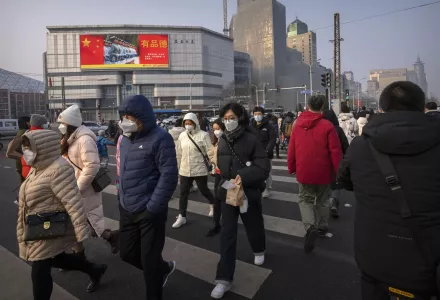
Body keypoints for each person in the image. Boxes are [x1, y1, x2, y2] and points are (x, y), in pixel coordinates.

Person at [337, 81, 440, 300]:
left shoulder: (360, 146)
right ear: (422, 109)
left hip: (374, 255)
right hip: (428, 259)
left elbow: (344, 181)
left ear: (382, 109)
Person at [17, 130, 107, 299]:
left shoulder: (59, 168)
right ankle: (94, 270)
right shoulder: (38, 167)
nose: (26, 152)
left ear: (43, 147)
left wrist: (81, 230)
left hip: (49, 225)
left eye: (30, 147)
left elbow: (72, 200)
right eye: (25, 148)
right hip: (39, 225)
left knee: (39, 269)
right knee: (56, 259)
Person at [118, 95, 178, 300]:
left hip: (149, 210)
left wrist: (153, 207)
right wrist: (121, 198)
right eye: (123, 116)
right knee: (125, 253)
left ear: (142, 118)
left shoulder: (161, 138)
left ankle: (156, 275)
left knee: (149, 261)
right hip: (127, 208)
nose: (125, 120)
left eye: (130, 117)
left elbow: (169, 174)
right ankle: (162, 269)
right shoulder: (124, 139)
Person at [211, 103, 270, 299]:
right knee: (227, 234)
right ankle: (223, 279)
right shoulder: (222, 141)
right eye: (225, 118)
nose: (228, 121)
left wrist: (243, 176)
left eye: (232, 117)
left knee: (253, 225)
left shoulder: (251, 139)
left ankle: (259, 249)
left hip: (248, 193)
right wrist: (219, 189)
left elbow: (263, 167)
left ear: (240, 118)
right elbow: (220, 168)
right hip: (228, 194)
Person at [57, 105, 119, 255]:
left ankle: (111, 238)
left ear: (70, 124)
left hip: (84, 189)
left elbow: (91, 166)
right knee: (76, 225)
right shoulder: (70, 138)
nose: (60, 127)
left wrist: (77, 188)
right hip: (72, 188)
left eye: (63, 123)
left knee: (89, 224)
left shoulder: (84, 140)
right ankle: (81, 258)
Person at [287, 95, 342, 253]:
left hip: (304, 170)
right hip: (324, 171)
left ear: (307, 106)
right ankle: (323, 226)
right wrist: (339, 171)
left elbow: (292, 149)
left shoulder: (298, 125)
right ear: (322, 107)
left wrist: (291, 167)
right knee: (324, 199)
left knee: (305, 199)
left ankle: (310, 226)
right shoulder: (328, 126)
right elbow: (336, 152)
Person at [173, 112, 216, 228]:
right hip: (185, 170)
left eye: (190, 123)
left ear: (195, 123)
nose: (188, 125)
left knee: (204, 190)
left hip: (199, 169)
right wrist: (178, 168)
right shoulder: (182, 135)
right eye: (186, 123)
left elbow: (210, 152)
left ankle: (213, 204)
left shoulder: (203, 135)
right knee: (183, 193)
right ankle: (182, 216)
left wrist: (214, 165)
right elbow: (179, 153)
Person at [322, 109, 349, 218]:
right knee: (337, 183)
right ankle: (334, 201)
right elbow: (345, 146)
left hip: (323, 160)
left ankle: (325, 203)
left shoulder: (321, 128)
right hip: (337, 160)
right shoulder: (338, 130)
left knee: (325, 184)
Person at [250, 107, 276, 198]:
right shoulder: (251, 126)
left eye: (259, 114)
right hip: (254, 154)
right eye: (255, 114)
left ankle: (268, 189)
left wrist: (267, 150)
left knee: (267, 172)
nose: (257, 116)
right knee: (255, 172)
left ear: (263, 114)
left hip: (266, 154)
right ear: (253, 115)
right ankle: (258, 188)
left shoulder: (269, 126)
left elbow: (272, 140)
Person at [206, 118, 226, 237]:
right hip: (219, 174)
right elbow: (213, 157)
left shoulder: (228, 141)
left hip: (228, 176)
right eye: (214, 129)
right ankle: (216, 223)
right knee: (217, 199)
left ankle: (226, 223)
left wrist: (213, 159)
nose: (216, 131)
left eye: (218, 129)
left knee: (228, 200)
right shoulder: (216, 142)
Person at [169, 118, 198, 193]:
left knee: (174, 173)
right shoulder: (184, 132)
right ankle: (189, 187)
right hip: (183, 153)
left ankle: (171, 191)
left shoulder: (170, 132)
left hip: (173, 153)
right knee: (186, 172)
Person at [20, 114, 48, 180]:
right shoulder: (41, 136)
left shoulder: (27, 135)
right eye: (44, 123)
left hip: (28, 171)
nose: (45, 125)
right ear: (40, 124)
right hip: (35, 173)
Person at [7, 116, 30, 183]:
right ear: (26, 123)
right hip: (23, 163)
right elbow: (12, 150)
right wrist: (25, 157)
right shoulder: (23, 132)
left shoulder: (21, 131)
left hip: (20, 163)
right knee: (26, 184)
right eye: (29, 122)